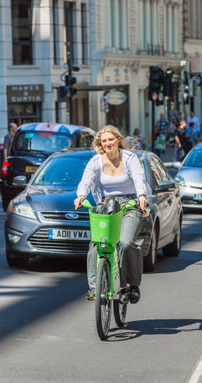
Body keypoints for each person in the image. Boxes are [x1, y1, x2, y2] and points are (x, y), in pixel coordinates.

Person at [74, 125, 149, 303]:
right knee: (96, 243)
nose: (108, 143)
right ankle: (94, 286)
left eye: (110, 139)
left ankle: (132, 284)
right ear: (101, 143)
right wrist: (80, 196)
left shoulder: (130, 159)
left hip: (130, 204)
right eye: (104, 141)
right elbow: (86, 181)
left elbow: (139, 179)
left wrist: (141, 196)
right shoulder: (96, 162)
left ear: (118, 140)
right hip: (107, 207)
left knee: (125, 242)